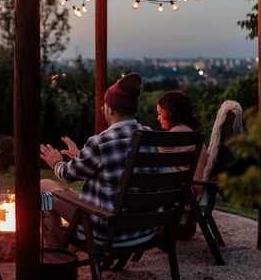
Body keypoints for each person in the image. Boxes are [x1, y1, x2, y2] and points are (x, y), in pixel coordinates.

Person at [40, 72, 160, 248]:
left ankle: (56, 257)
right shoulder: (148, 135)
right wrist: (79, 155)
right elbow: (115, 168)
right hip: (144, 231)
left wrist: (56, 162)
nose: (103, 109)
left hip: (107, 233)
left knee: (43, 187)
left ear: (110, 109)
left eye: (104, 105)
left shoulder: (101, 142)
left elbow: (68, 175)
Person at [156, 90, 211, 239]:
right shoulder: (193, 134)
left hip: (187, 196)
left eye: (160, 113)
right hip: (202, 192)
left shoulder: (175, 136)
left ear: (170, 113)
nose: (158, 118)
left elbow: (151, 157)